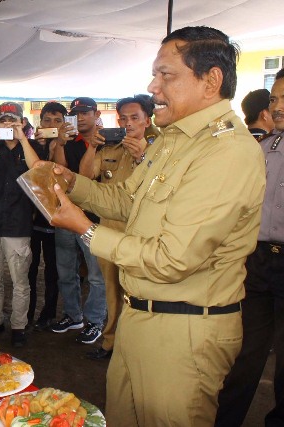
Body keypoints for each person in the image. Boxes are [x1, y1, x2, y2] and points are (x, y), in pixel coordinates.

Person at [40, 26, 265, 426]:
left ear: (211, 80)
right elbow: (128, 200)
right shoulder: (174, 139)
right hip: (140, 318)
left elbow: (171, 259)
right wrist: (74, 183)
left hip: (185, 331)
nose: (152, 86)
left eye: (166, 75)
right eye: (154, 74)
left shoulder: (227, 151)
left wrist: (85, 230)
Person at [215, 68, 284, 427]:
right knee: (245, 352)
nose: (277, 106)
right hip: (258, 261)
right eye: (274, 98)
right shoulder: (265, 148)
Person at [77, 95, 154, 360]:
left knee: (138, 293)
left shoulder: (158, 149)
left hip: (141, 234)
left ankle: (134, 348)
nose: (129, 124)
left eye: (135, 118)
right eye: (124, 118)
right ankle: (110, 343)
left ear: (147, 120)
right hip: (109, 231)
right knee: (111, 291)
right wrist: (91, 147)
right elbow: (86, 175)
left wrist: (144, 156)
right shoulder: (109, 147)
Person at [0, 102, 39, 347]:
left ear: (22, 122)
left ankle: (19, 326)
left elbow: (36, 170)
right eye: (3, 120)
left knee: (20, 281)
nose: (8, 124)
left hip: (18, 225)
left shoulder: (31, 148)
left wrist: (23, 139)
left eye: (13, 120)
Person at [50, 96, 106, 345]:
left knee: (96, 275)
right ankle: (73, 315)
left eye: (85, 113)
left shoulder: (106, 141)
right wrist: (60, 144)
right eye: (76, 113)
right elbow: (60, 174)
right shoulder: (70, 142)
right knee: (66, 272)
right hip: (66, 214)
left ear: (95, 114)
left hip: (93, 219)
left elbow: (85, 177)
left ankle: (96, 320)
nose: (81, 117)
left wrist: (93, 146)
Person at [28, 101, 70, 330]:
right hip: (33, 219)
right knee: (30, 268)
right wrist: (41, 147)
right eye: (47, 120)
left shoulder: (71, 146)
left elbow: (65, 175)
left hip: (58, 219)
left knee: (54, 270)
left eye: (57, 121)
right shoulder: (32, 146)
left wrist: (59, 146)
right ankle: (27, 312)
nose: (52, 125)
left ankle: (48, 313)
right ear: (40, 122)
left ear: (65, 123)